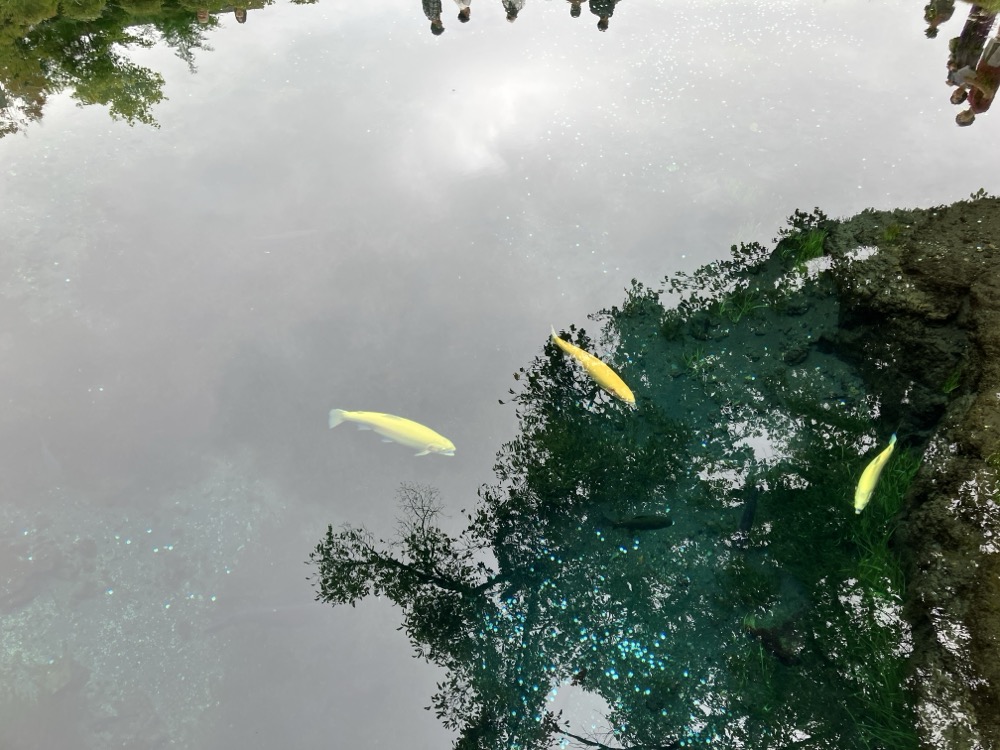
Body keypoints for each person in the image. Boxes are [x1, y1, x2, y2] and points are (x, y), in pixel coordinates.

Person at [955, 34, 1000, 126]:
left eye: (958, 116)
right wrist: (974, 82)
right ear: (969, 120)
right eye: (961, 119)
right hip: (992, 69)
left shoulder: (969, 99)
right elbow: (988, 93)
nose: (960, 116)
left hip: (983, 66)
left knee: (997, 38)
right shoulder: (980, 108)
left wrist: (967, 79)